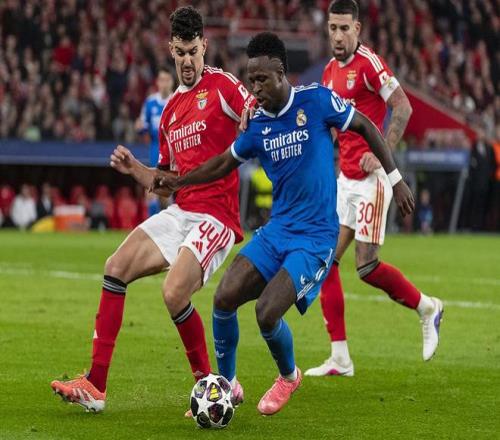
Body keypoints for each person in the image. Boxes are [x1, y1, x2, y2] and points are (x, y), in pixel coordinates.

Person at [154, 32, 415, 415]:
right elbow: (223, 163)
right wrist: (181, 181)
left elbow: (365, 127)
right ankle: (225, 386)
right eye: (251, 80)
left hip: (316, 239)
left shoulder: (317, 101)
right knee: (224, 298)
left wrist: (395, 179)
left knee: (266, 312)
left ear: (281, 74)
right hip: (277, 231)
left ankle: (289, 376)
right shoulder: (257, 126)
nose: (255, 88)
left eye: (262, 79)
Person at [50, 6, 254, 413]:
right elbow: (165, 181)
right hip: (181, 211)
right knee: (115, 266)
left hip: (217, 216)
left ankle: (209, 386)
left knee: (173, 291)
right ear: (170, 50)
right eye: (180, 52)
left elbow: (252, 110)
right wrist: (135, 170)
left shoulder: (223, 86)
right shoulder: (170, 111)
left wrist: (252, 117)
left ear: (204, 46)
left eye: (193, 51)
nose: (187, 61)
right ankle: (95, 386)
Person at [305, 0, 443, 378]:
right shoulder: (329, 72)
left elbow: (403, 107)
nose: (337, 36)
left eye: (344, 28)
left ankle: (427, 307)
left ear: (357, 29)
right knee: (325, 261)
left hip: (372, 179)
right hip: (345, 180)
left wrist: (381, 151)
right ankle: (340, 357)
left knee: (366, 266)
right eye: (332, 28)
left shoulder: (369, 63)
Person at [135, 67, 175, 167]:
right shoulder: (150, 102)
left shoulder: (177, 101)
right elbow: (143, 126)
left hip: (174, 150)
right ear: (157, 82)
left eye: (167, 80)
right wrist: (139, 127)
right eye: (162, 80)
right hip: (155, 149)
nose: (164, 84)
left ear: (172, 82)